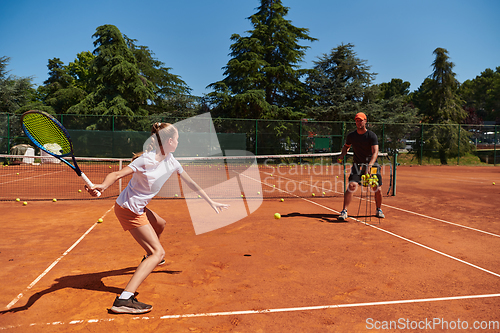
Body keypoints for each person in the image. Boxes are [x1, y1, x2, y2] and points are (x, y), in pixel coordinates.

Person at [86, 122, 229, 314]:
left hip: (139, 208)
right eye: (177, 139)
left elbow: (191, 183)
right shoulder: (146, 160)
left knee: (160, 223)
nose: (178, 142)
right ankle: (124, 299)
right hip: (129, 210)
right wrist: (103, 186)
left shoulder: (172, 161)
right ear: (170, 141)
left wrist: (211, 201)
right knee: (158, 253)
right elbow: (118, 173)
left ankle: (149, 254)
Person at [336, 112, 385, 221]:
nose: (359, 122)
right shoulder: (351, 136)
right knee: (352, 185)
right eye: (357, 120)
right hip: (357, 165)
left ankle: (379, 209)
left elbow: (375, 152)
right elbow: (346, 147)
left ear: (365, 121)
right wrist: (342, 155)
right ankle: (344, 211)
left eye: (361, 120)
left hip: (372, 165)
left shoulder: (371, 135)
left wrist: (370, 165)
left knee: (377, 188)